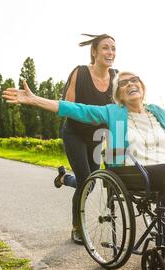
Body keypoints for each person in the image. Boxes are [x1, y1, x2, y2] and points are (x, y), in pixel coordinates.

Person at [3, 71, 165, 270]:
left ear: (143, 87)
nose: (130, 83)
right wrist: (35, 100)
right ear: (119, 94)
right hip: (131, 171)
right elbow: (76, 109)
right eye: (124, 83)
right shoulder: (113, 112)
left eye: (134, 80)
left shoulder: (158, 112)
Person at [55, 34, 118, 244]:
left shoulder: (117, 77)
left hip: (97, 137)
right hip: (75, 133)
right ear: (94, 52)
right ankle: (77, 228)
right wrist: (91, 115)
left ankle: (64, 178)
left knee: (91, 183)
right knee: (85, 182)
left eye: (113, 49)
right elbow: (68, 108)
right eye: (105, 48)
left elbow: (119, 112)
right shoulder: (80, 72)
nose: (110, 53)